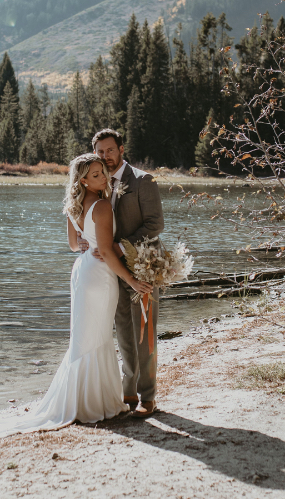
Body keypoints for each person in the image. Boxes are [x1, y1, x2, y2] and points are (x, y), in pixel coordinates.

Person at [0, 153, 151, 439]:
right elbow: (105, 251)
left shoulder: (73, 206)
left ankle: (82, 401)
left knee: (83, 337)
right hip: (99, 278)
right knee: (99, 336)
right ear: (82, 180)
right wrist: (131, 279)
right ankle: (95, 404)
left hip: (81, 272)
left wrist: (86, 243)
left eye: (102, 172)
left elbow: (72, 245)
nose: (103, 178)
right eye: (95, 175)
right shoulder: (102, 206)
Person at [89, 128, 164, 418]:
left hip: (143, 265)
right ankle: (128, 393)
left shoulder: (143, 180)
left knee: (144, 332)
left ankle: (149, 397)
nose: (105, 156)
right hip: (110, 270)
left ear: (121, 148)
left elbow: (155, 225)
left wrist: (122, 246)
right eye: (100, 151)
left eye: (109, 150)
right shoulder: (97, 183)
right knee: (122, 331)